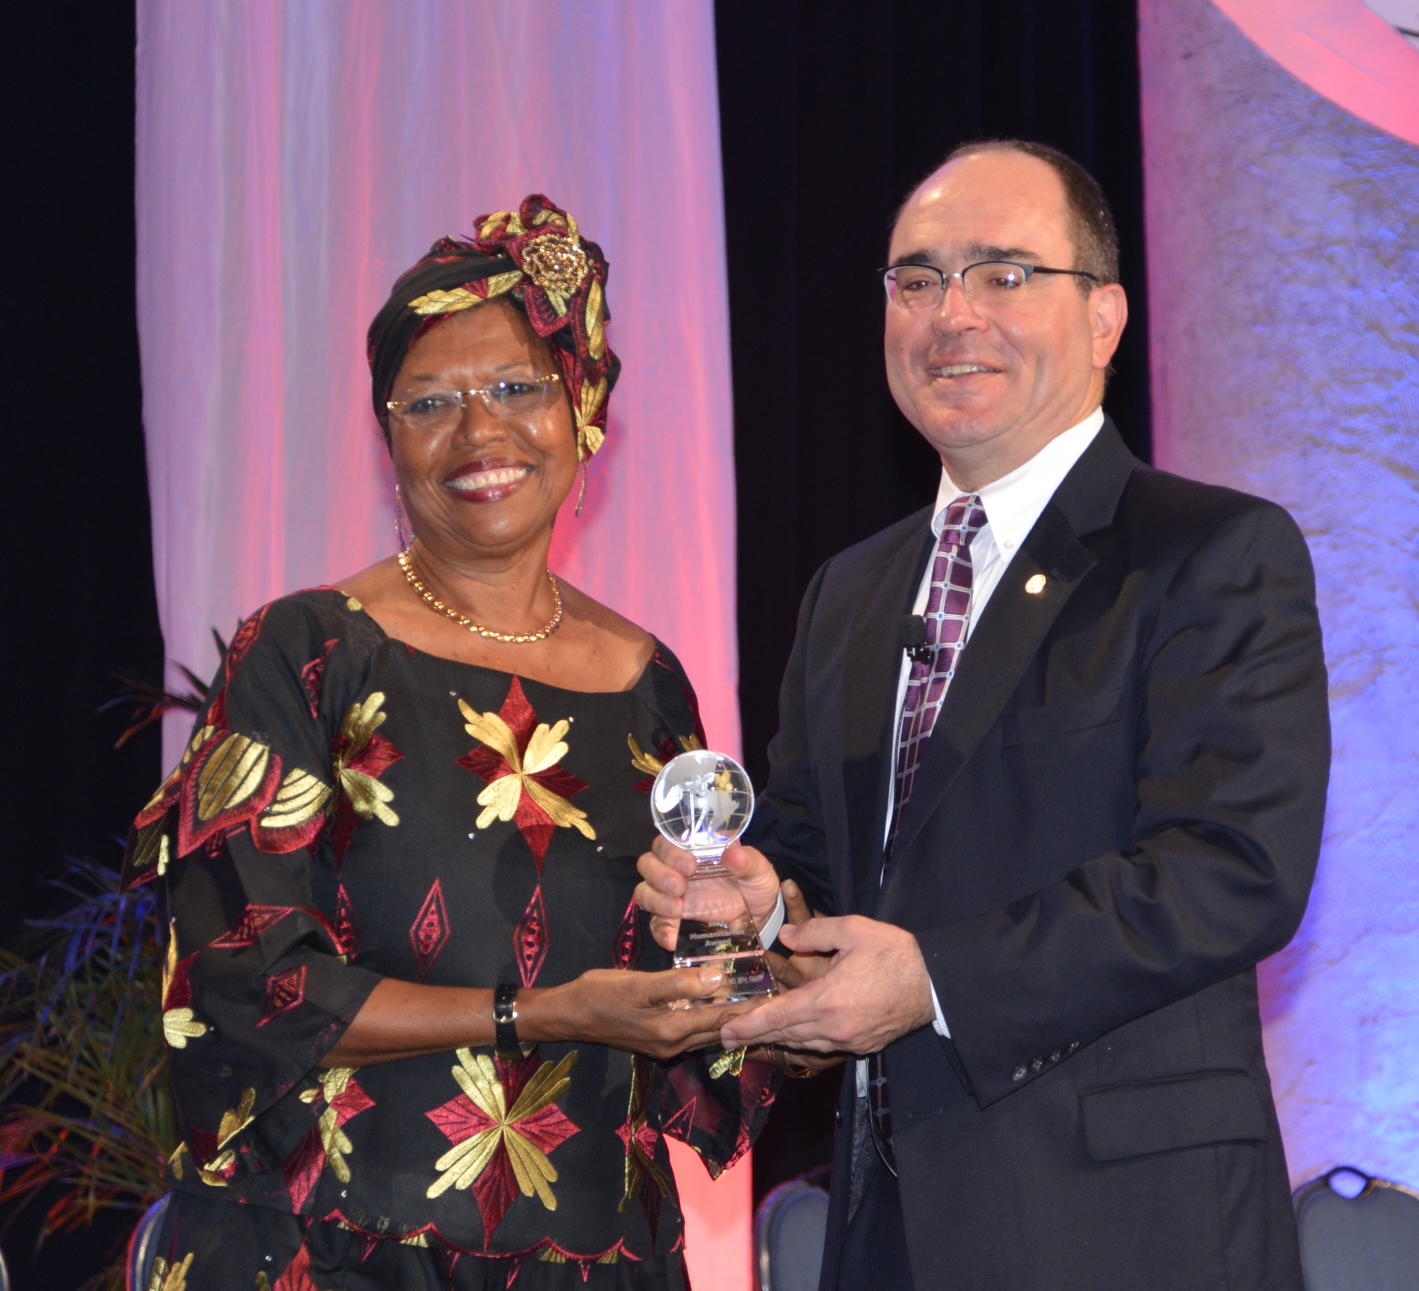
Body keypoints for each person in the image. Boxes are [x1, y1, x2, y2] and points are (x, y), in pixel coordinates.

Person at [637, 141, 1330, 1289]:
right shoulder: (849, 591)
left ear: (1105, 317)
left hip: (1124, 1228)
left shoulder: (1213, 551)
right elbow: (820, 855)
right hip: (887, 1227)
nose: (952, 314)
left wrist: (936, 979)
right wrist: (765, 905)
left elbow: (1231, 865)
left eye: (1004, 273)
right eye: (917, 280)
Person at [122, 194, 775, 1290]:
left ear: (584, 407)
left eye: (518, 388)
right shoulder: (311, 653)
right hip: (330, 1249)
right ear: (388, 438)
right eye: (431, 402)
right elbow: (252, 984)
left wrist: (740, 955)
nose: (481, 435)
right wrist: (544, 1012)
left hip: (595, 1258)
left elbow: (697, 1032)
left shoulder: (652, 681)